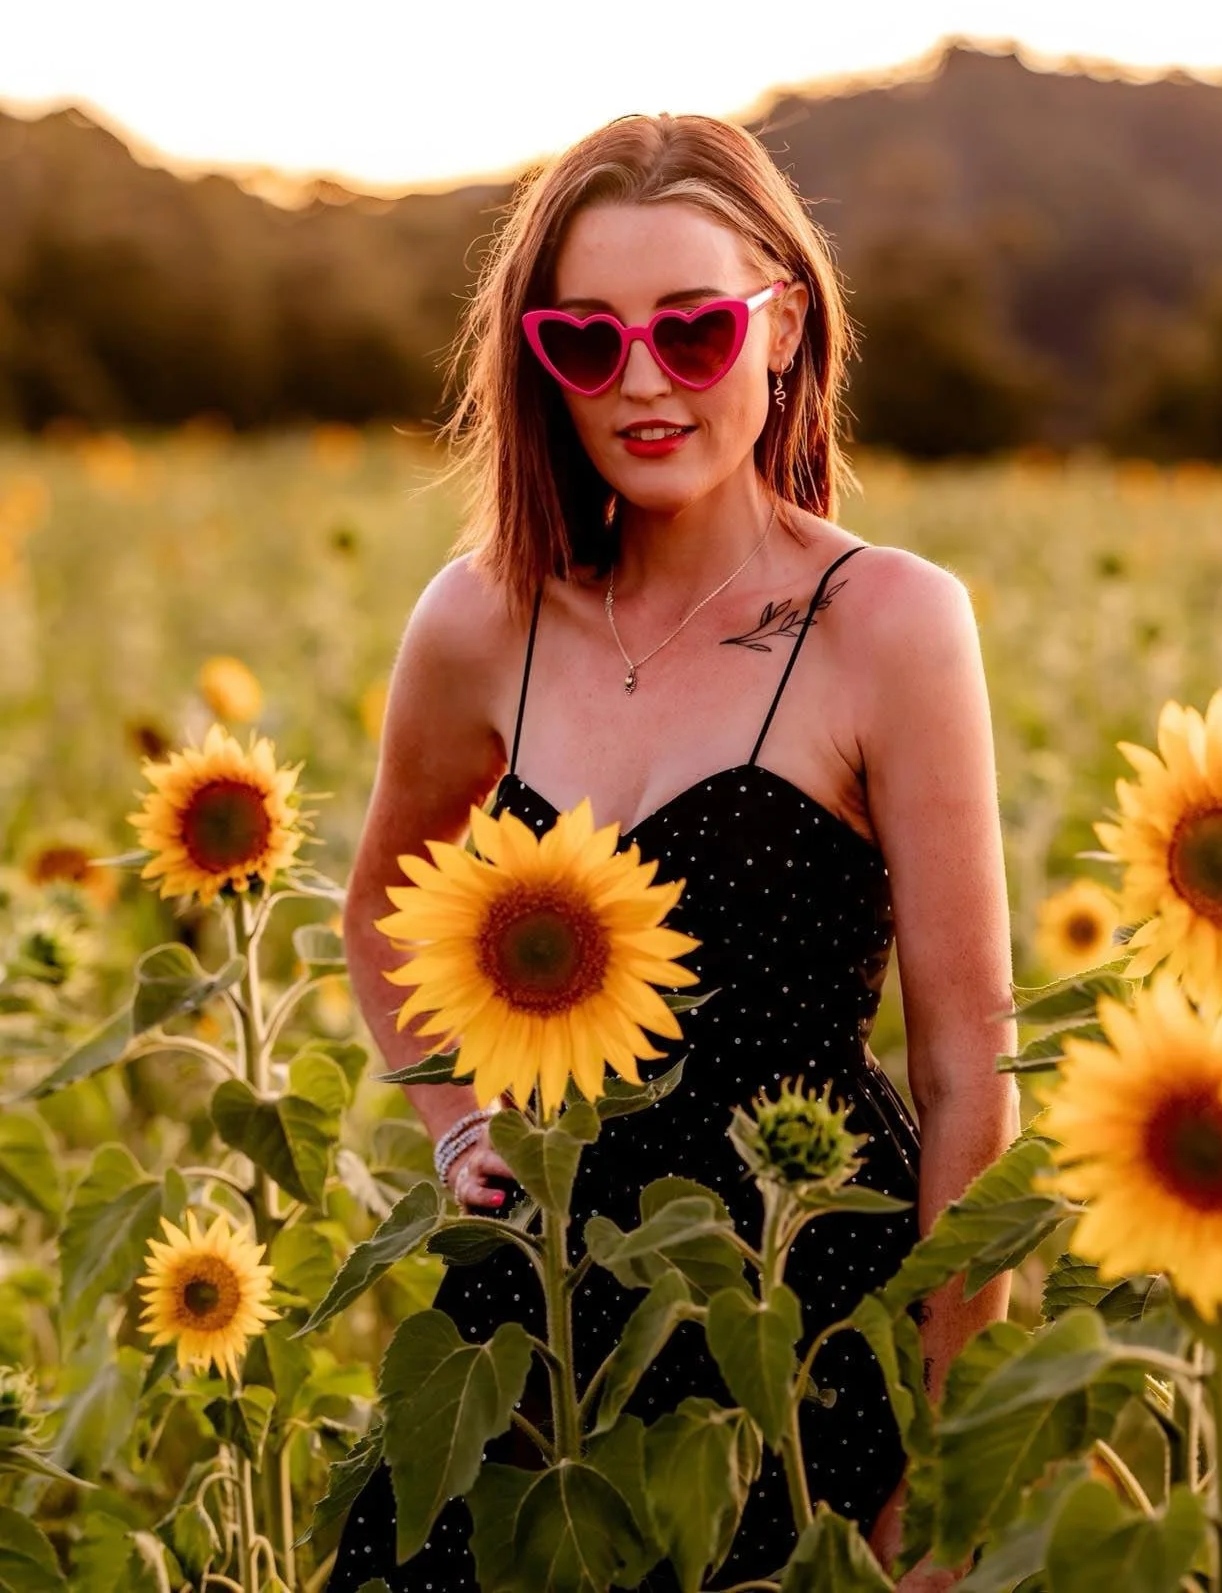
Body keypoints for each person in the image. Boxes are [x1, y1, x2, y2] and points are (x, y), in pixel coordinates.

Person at [327, 113, 1018, 1592]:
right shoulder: (479, 621)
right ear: (540, 363)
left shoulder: (887, 626)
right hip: (536, 1333)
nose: (641, 383)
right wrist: (454, 1122)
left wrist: (948, 1461)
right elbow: (384, 904)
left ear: (782, 330)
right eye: (587, 343)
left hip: (806, 1319)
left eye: (693, 332)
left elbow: (971, 1068)